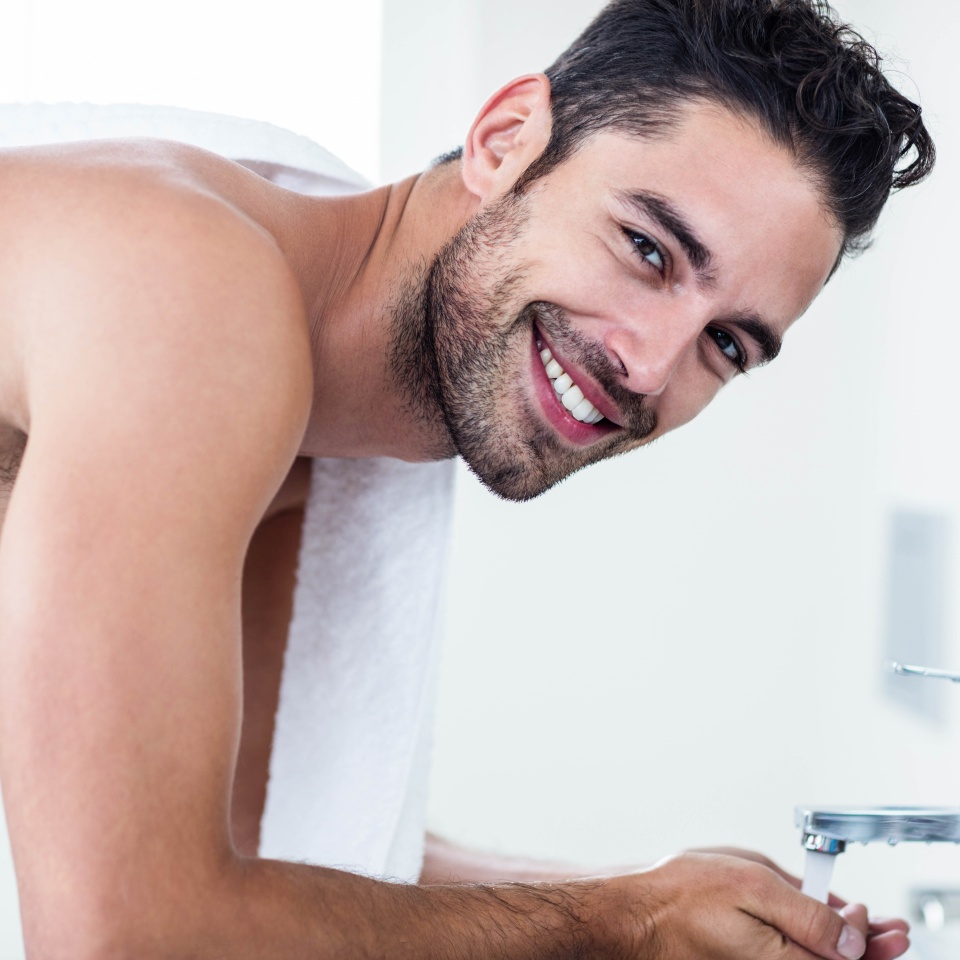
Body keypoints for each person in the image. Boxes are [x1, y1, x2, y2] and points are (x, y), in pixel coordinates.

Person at [0, 0, 935, 957]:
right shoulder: (195, 297)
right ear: (504, 141)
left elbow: (274, 838)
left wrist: (684, 902)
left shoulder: (309, 449)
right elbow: (126, 931)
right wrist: (626, 921)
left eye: (725, 343)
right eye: (647, 249)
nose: (651, 367)